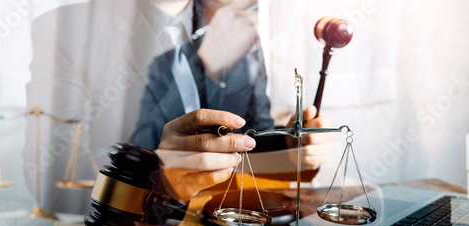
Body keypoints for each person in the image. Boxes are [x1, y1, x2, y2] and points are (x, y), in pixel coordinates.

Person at [130, 0, 334, 201]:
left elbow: (255, 135)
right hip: (145, 212)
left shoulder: (243, 39)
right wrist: (202, 63)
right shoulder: (122, 34)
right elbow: (126, 151)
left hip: (218, 212)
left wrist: (289, 145)